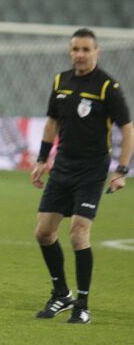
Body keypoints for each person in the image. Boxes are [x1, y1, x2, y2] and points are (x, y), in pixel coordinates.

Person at [31, 28, 132, 324]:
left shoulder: (107, 87)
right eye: (76, 49)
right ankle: (61, 294)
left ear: (96, 53)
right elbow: (52, 121)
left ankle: (83, 304)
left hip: (92, 168)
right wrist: (41, 159)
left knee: (77, 232)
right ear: (70, 51)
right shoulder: (60, 81)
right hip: (63, 165)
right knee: (43, 232)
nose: (80, 54)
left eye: (86, 49)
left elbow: (127, 129)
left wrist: (122, 170)